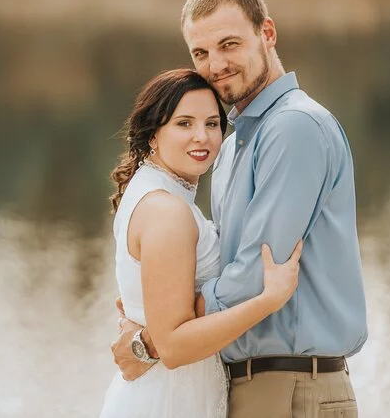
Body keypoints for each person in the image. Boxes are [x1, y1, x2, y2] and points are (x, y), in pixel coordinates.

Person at [111, 0, 368, 418]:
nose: (216, 64)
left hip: (292, 387)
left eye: (229, 44)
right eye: (201, 53)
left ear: (267, 34)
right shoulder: (230, 148)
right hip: (245, 383)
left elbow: (256, 272)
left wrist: (158, 336)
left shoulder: (293, 127)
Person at [98, 68, 304, 418]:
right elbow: (174, 347)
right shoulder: (167, 210)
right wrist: (268, 300)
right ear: (152, 135)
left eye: (211, 124)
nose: (202, 137)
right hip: (169, 399)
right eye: (184, 124)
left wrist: (141, 337)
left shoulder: (154, 192)